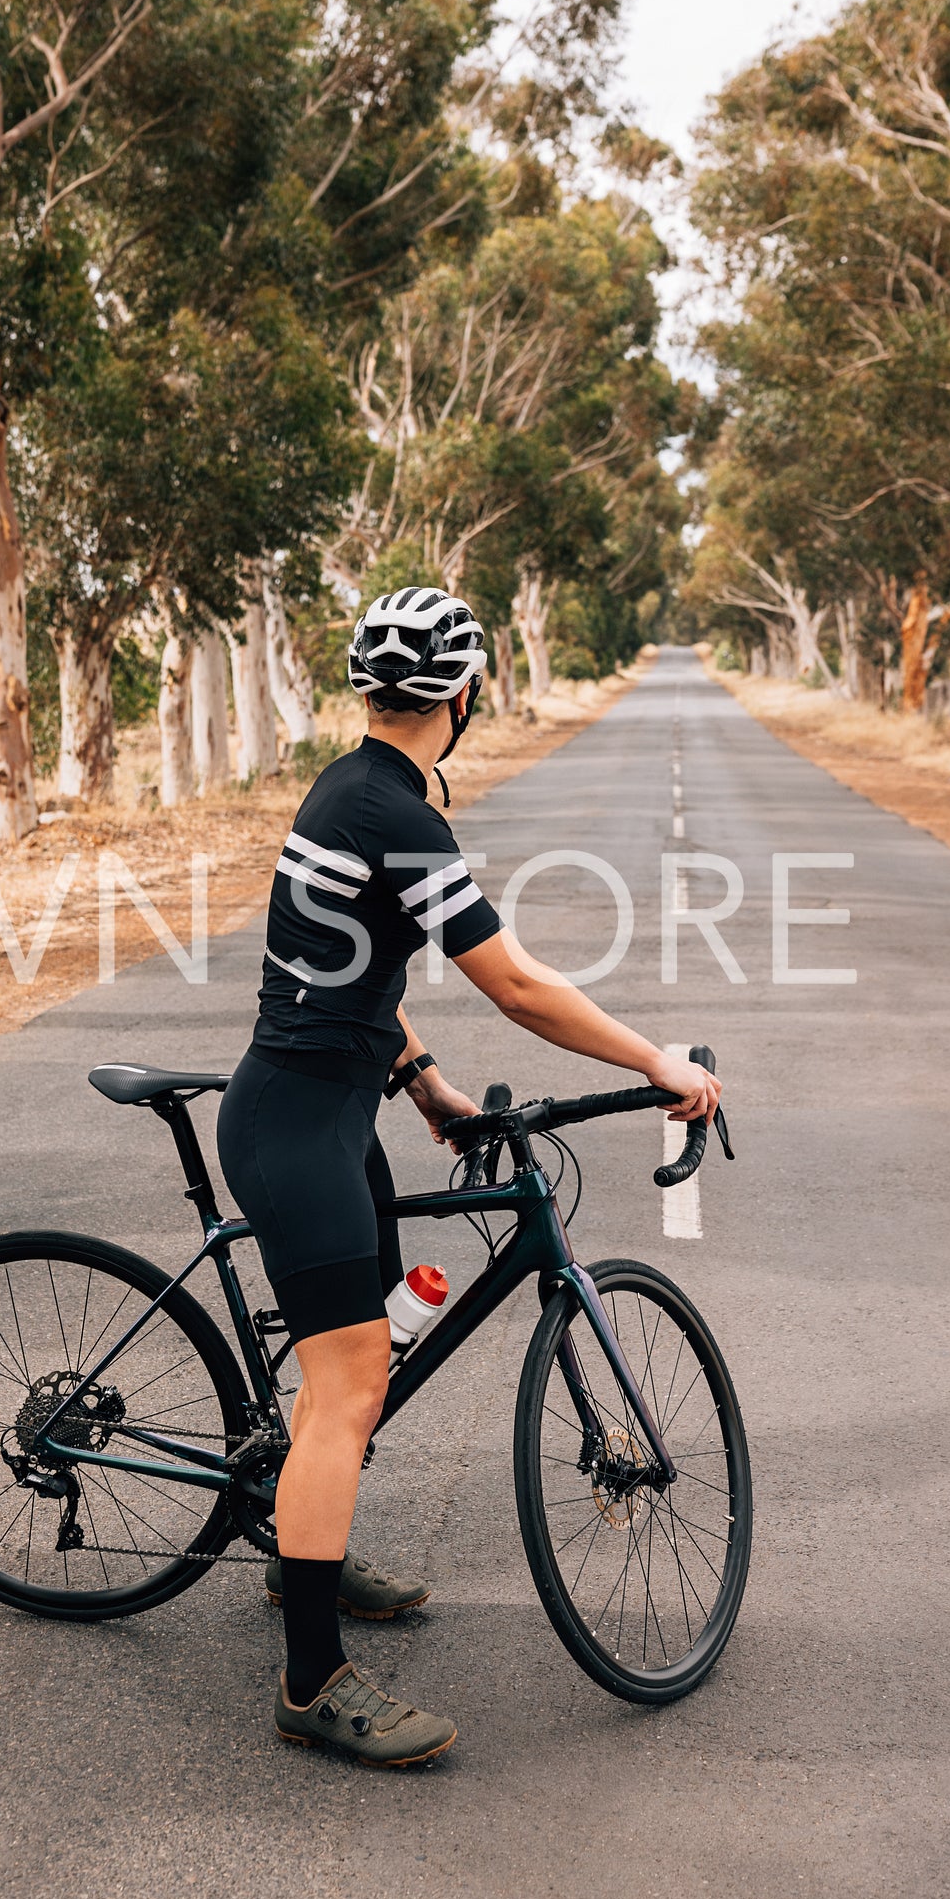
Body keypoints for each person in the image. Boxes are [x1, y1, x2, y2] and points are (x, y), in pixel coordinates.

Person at [215, 586, 720, 1766]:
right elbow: (518, 983)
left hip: (329, 1115)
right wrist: (654, 1060)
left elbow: (345, 975)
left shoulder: (356, 792)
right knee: (344, 1388)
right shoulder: (391, 809)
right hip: (293, 1129)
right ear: (462, 693)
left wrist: (426, 1084)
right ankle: (308, 1680)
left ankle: (307, 1548)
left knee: (361, 1362)